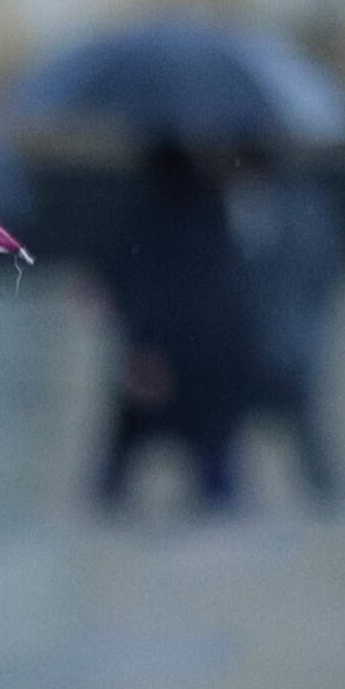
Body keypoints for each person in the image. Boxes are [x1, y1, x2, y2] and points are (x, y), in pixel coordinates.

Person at [94, 141, 256, 514]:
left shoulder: (145, 216)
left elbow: (137, 283)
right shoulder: (212, 212)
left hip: (161, 353)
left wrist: (144, 345)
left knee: (124, 451)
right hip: (210, 355)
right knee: (213, 457)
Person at [227, 147, 342, 509]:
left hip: (284, 345)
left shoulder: (298, 209)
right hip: (252, 346)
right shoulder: (299, 207)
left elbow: (318, 276)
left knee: (304, 436)